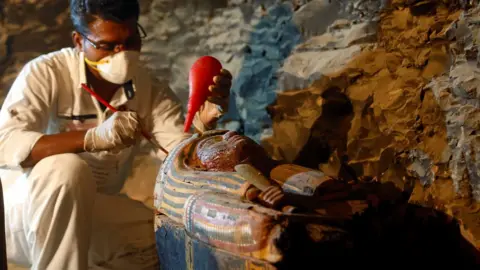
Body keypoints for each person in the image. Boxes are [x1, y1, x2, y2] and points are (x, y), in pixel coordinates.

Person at [0, 0, 232, 269]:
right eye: (107, 46)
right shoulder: (47, 72)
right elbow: (5, 142)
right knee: (65, 168)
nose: (122, 55)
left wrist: (203, 127)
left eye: (130, 40)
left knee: (156, 235)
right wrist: (92, 138)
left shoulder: (149, 87)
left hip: (92, 210)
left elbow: (178, 155)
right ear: (78, 40)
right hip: (26, 218)